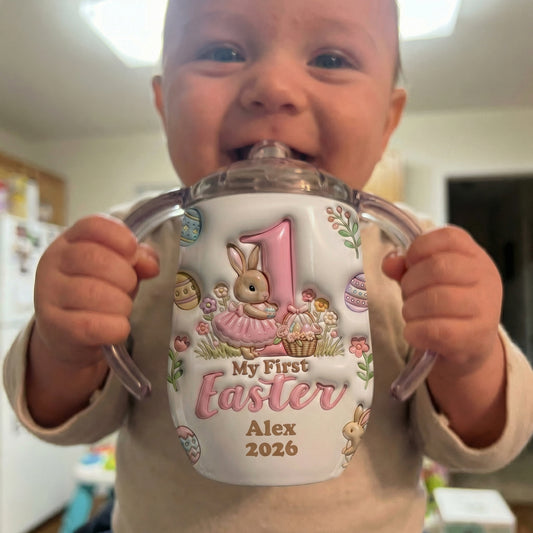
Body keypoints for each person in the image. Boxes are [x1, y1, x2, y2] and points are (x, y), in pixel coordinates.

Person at [4, 0, 533, 531]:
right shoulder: (131, 250)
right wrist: (64, 347)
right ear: (164, 106)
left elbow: (481, 444)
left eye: (330, 59)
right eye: (222, 51)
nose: (275, 87)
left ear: (387, 121)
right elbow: (62, 422)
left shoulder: (410, 258)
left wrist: (469, 361)